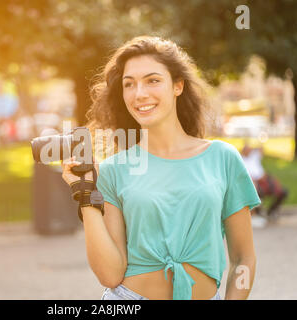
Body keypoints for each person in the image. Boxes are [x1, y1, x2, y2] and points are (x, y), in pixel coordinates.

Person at [61, 36, 261, 300]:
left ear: (178, 85)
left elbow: (243, 257)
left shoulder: (222, 158)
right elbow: (110, 275)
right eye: (129, 84)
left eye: (152, 80)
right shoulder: (113, 170)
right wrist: (86, 195)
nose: (139, 93)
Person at [241, 141, 289, 225]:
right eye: (247, 149)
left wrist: (254, 148)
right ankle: (256, 214)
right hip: (254, 182)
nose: (249, 151)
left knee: (283, 192)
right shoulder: (241, 160)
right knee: (257, 193)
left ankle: (271, 212)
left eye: (249, 149)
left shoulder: (254, 157)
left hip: (265, 180)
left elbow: (261, 149)